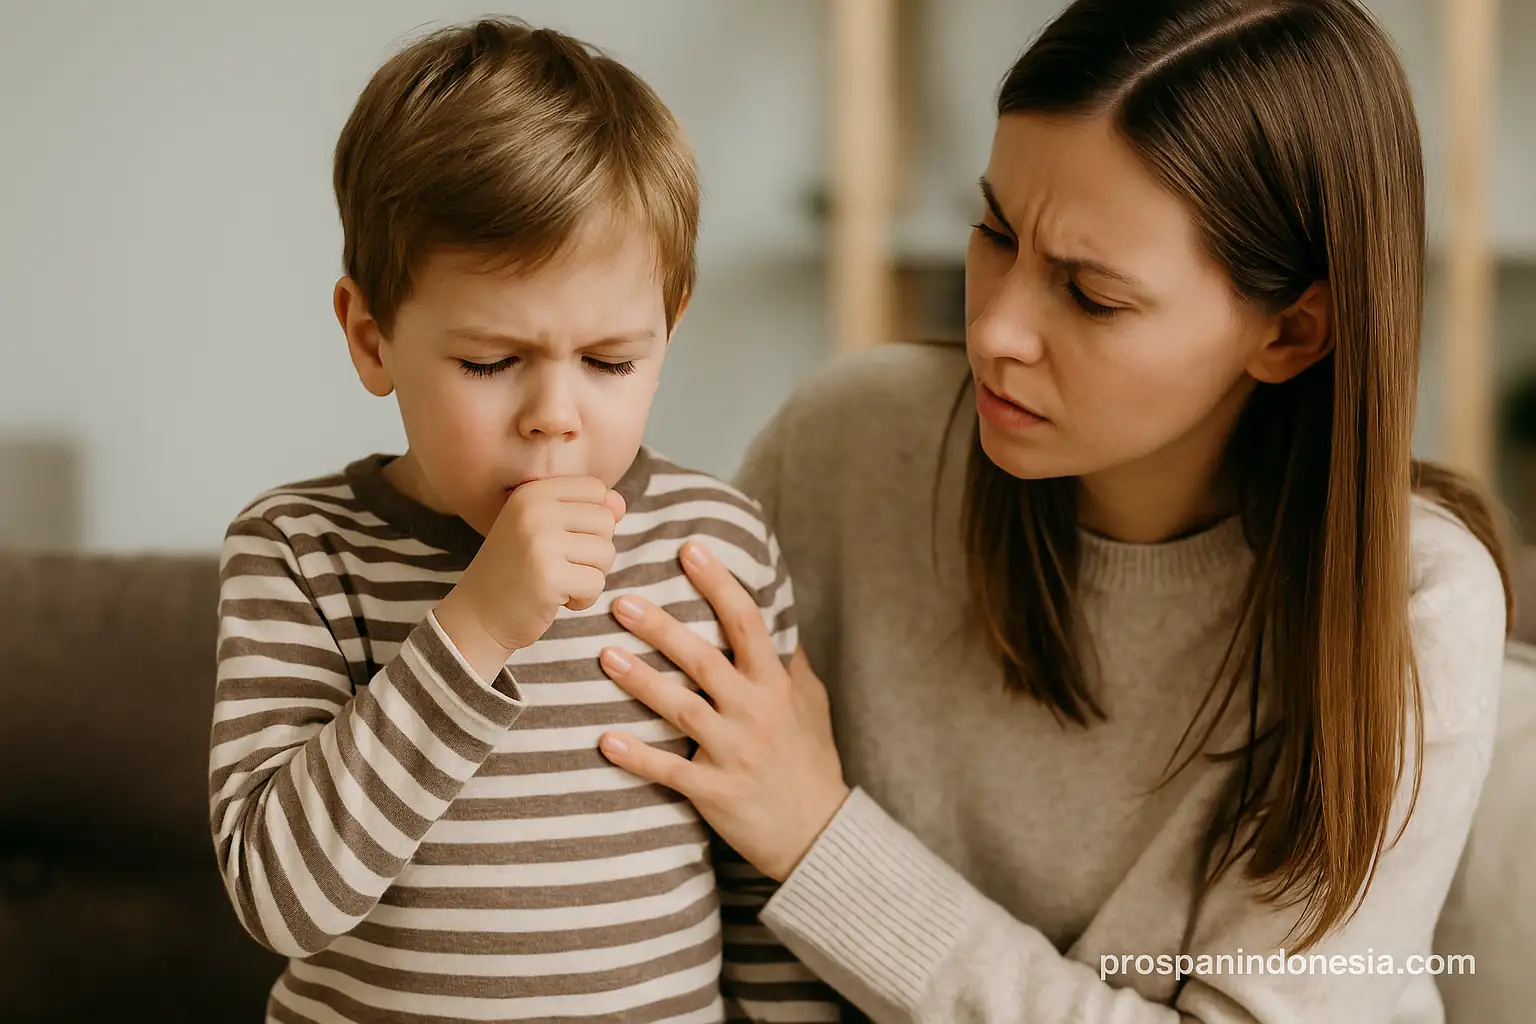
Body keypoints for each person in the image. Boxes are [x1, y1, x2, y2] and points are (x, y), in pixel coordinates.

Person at [593, 1, 1512, 1021]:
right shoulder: (848, 445)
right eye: (994, 232)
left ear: (1291, 332)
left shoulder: (1415, 605)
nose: (995, 330)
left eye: (1090, 294)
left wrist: (822, 843)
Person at [207, 19, 834, 1023]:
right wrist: (476, 626)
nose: (554, 414)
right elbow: (283, 901)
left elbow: (771, 881)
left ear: (669, 327)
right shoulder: (299, 553)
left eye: (611, 361)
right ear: (372, 338)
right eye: (491, 363)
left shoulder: (717, 546)